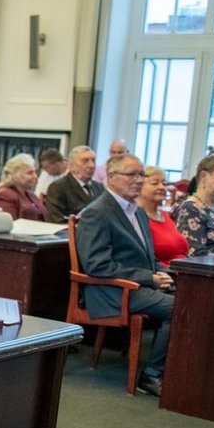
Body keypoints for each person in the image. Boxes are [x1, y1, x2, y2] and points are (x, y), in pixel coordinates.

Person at [76, 153, 173, 397]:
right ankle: (151, 375)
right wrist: (149, 278)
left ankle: (177, 371)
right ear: (111, 177)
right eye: (132, 175)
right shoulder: (96, 212)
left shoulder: (137, 212)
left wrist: (165, 273)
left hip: (138, 285)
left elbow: (147, 257)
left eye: (141, 175)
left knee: (196, 298)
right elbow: (97, 266)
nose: (139, 180)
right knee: (178, 309)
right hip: (111, 290)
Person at [138, 165, 188, 267]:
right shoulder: (136, 217)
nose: (162, 187)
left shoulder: (165, 215)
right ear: (139, 186)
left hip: (183, 270)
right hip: (162, 273)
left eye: (164, 183)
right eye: (155, 183)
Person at [44, 145, 103, 222]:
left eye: (93, 161)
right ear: (71, 165)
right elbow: (57, 219)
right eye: (85, 161)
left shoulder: (99, 187)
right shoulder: (58, 188)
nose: (92, 165)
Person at [0, 153, 46, 221]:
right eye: (30, 173)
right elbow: (8, 223)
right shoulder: (5, 195)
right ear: (15, 175)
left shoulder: (31, 195)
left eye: (35, 172)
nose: (35, 176)